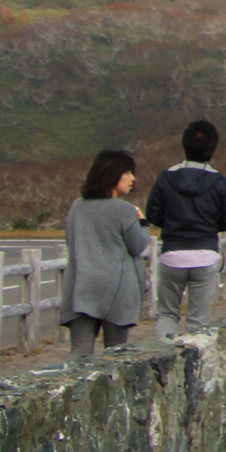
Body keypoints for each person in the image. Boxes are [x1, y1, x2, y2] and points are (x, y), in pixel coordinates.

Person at [144, 120, 226, 340]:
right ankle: (194, 359)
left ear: (184, 145)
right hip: (205, 254)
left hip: (173, 253)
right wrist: (207, 227)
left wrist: (172, 224)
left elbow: (153, 215)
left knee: (167, 314)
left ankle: (164, 355)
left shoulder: (166, 176)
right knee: (197, 320)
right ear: (212, 148)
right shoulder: (219, 181)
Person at [61, 149, 151, 356]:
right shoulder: (124, 209)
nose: (133, 178)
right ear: (112, 174)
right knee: (115, 354)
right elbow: (137, 246)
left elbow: (71, 241)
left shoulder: (77, 206)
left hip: (81, 287)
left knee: (80, 352)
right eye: (127, 172)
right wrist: (143, 223)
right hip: (117, 290)